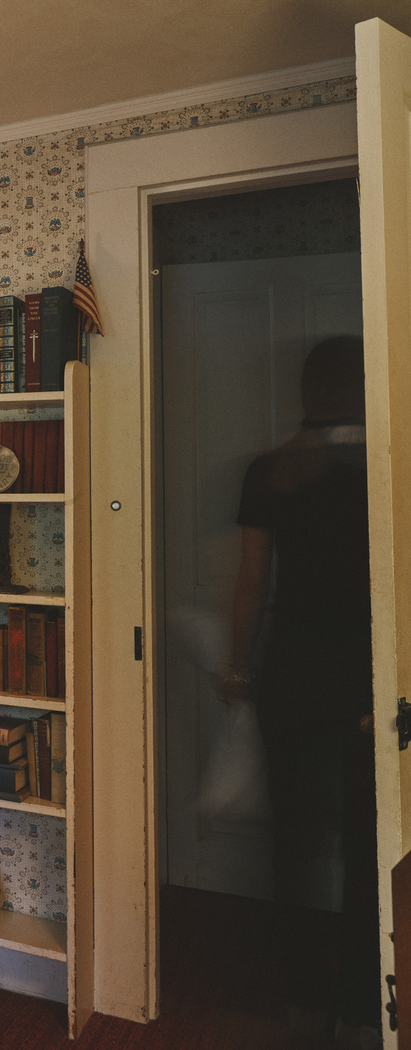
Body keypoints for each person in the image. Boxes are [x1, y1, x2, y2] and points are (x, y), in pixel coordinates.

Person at [218, 335, 379, 1047]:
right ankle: (360, 1001)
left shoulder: (271, 471)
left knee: (294, 841)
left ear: (308, 392)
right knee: (369, 844)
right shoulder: (386, 463)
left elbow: (252, 584)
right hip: (371, 680)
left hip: (291, 671)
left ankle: (302, 997)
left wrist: (237, 666)